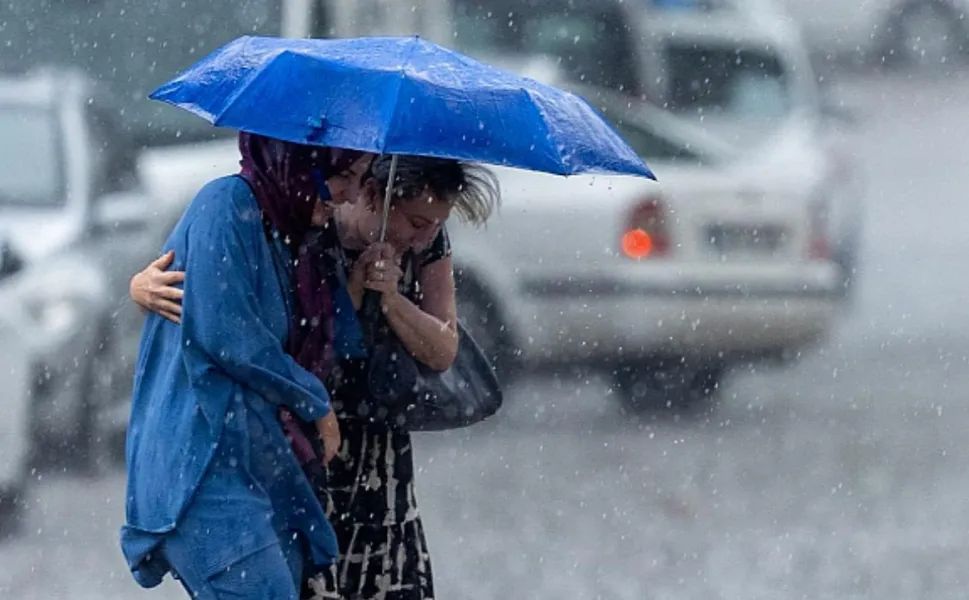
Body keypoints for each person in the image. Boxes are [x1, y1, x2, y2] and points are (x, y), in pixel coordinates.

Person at [130, 154, 500, 600]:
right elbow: (233, 308)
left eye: (436, 226)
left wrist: (392, 300)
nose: (423, 239)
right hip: (304, 436)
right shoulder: (310, 217)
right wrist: (140, 287)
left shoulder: (426, 245)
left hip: (376, 441)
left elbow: (443, 349)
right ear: (374, 195)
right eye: (416, 222)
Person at [121, 131, 373, 599]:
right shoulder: (225, 206)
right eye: (346, 176)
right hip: (202, 468)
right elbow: (230, 335)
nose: (353, 195)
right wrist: (314, 401)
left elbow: (330, 338)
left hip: (258, 466)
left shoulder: (292, 232)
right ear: (304, 164)